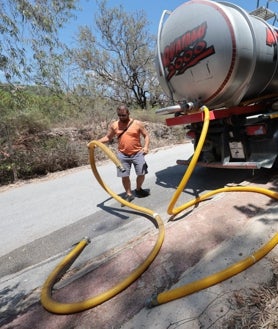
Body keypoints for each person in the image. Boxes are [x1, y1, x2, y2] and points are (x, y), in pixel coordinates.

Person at [98, 104, 150, 203]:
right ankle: (129, 194)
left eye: (124, 115)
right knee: (124, 175)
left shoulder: (137, 123)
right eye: (119, 115)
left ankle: (138, 189)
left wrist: (146, 147)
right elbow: (108, 137)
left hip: (138, 153)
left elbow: (146, 135)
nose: (121, 117)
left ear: (128, 113)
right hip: (123, 155)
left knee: (141, 173)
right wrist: (96, 142)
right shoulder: (114, 125)